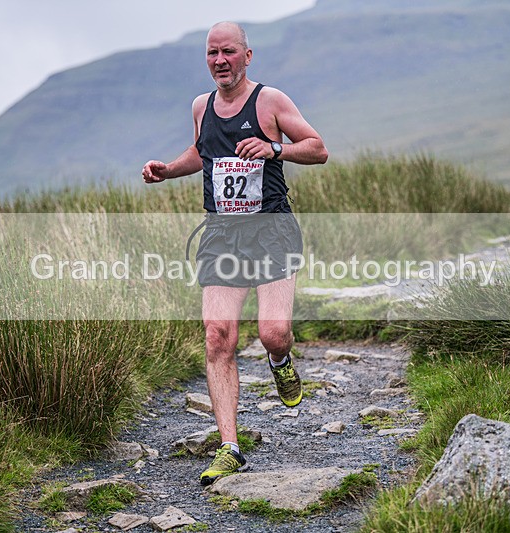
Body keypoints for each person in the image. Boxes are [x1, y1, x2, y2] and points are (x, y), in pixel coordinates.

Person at [141, 21, 328, 485]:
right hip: (222, 234)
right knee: (217, 335)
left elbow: (318, 149)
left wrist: (273, 148)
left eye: (228, 51)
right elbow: (203, 153)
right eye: (211, 53)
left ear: (247, 56)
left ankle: (281, 362)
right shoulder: (201, 107)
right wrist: (168, 170)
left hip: (271, 231)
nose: (219, 60)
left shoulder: (270, 101)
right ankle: (229, 448)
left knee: (273, 333)